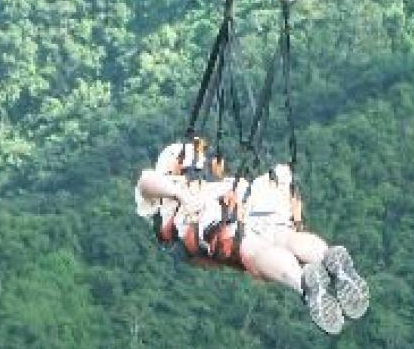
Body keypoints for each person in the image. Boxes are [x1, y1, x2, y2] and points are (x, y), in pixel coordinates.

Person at [136, 141, 368, 334]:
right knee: (284, 236)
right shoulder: (212, 184)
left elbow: (146, 180)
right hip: (252, 200)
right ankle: (326, 256)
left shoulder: (170, 200)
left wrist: (183, 196)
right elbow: (151, 181)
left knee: (254, 252)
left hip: (220, 220)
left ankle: (303, 282)